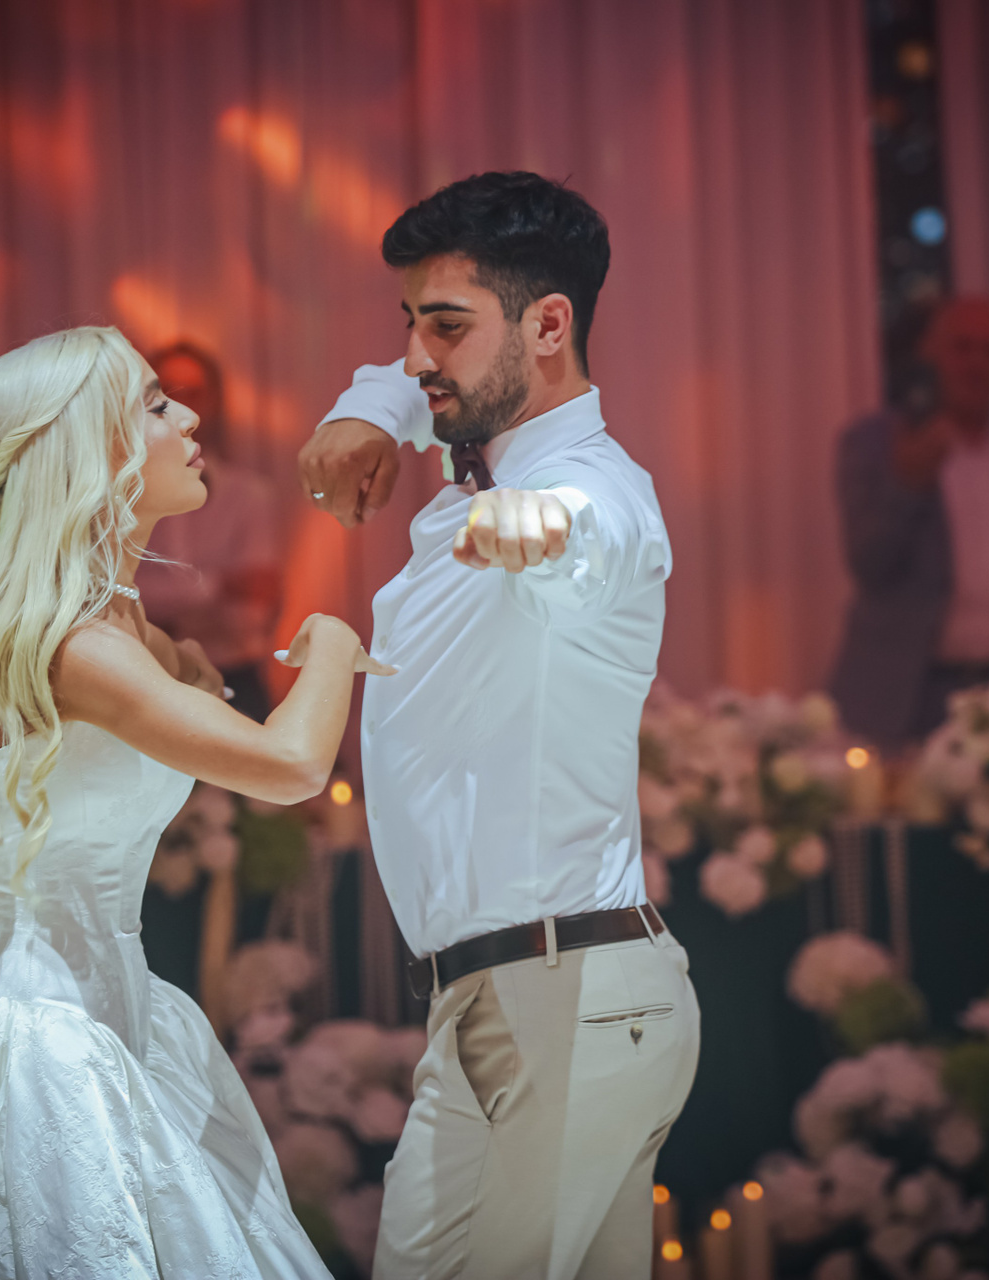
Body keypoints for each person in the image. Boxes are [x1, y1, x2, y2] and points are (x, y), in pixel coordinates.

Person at [0, 325, 387, 1277]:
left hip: (119, 1019)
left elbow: (193, 697)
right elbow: (289, 766)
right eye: (155, 404)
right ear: (93, 451)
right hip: (39, 1043)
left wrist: (195, 668)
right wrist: (331, 642)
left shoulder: (128, 632)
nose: (188, 417)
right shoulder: (78, 646)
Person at [298, 171, 700, 1280]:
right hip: (522, 997)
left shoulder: (593, 486)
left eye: (446, 326)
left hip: (561, 991)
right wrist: (368, 407)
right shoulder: (468, 458)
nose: (417, 355)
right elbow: (401, 377)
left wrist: (538, 524)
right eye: (409, 324)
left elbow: (594, 534)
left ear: (550, 325)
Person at [828, 297, 989, 746]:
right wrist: (908, 485)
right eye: (962, 347)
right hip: (913, 693)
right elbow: (867, 564)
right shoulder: (874, 442)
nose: (977, 364)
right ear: (929, 355)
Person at [133, 340, 283, 721]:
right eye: (168, 396)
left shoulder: (250, 494)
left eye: (195, 393)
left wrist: (156, 608)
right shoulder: (123, 497)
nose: (184, 410)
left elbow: (254, 609)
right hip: (143, 675)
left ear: (216, 401)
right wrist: (221, 587)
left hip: (234, 677)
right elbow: (109, 591)